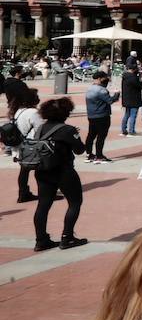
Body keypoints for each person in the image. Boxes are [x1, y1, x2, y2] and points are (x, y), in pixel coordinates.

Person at [30, 96, 88, 251]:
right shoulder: (67, 130)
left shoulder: (40, 128)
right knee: (75, 203)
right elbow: (80, 150)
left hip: (42, 171)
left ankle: (41, 240)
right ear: (64, 113)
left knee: (43, 205)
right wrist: (75, 136)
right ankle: (67, 237)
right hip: (63, 171)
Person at [13, 86, 41, 203]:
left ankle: (23, 193)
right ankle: (45, 193)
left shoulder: (19, 111)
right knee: (41, 170)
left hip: (20, 146)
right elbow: (41, 128)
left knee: (24, 171)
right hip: (32, 146)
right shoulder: (33, 112)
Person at [84, 71, 117, 163]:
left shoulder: (90, 88)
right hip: (102, 115)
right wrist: (117, 94)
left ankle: (89, 154)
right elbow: (110, 100)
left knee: (91, 135)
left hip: (91, 115)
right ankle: (99, 155)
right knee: (101, 136)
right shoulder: (102, 90)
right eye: (104, 78)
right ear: (99, 79)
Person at [120, 65, 142, 136]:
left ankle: (123, 130)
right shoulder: (133, 77)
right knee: (133, 115)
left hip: (126, 98)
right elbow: (139, 86)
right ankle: (131, 130)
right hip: (134, 99)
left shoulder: (125, 76)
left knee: (126, 115)